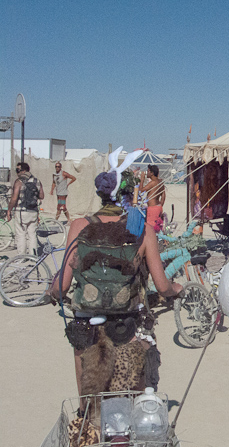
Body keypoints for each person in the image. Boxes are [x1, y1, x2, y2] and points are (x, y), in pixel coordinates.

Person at [50, 166, 183, 396]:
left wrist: (51, 291)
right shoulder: (142, 229)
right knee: (137, 396)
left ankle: (85, 418)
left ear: (100, 194)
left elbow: (62, 286)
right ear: (128, 194)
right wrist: (176, 289)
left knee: (88, 402)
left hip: (88, 324)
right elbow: (162, 286)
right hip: (127, 322)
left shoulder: (80, 226)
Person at [6, 161, 44, 255]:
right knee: (32, 234)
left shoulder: (19, 181)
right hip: (33, 211)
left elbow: (14, 199)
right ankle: (33, 256)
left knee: (21, 234)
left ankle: (21, 256)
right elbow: (42, 196)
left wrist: (9, 210)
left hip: (21, 211)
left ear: (23, 170)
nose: (17, 172)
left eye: (18, 170)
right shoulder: (37, 181)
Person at [140, 164, 165, 231]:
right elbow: (163, 195)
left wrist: (142, 179)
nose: (146, 173)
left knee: (151, 228)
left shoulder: (153, 182)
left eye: (148, 171)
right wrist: (160, 206)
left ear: (152, 173)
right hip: (158, 207)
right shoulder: (160, 182)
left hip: (152, 208)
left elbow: (141, 190)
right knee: (158, 226)